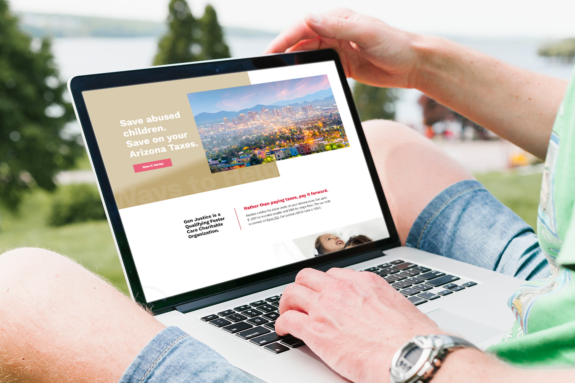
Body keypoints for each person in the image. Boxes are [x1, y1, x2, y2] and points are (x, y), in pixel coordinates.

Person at [2, 7, 575, 382]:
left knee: (19, 289)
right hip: (558, 307)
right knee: (385, 142)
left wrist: (411, 351)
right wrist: (422, 62)